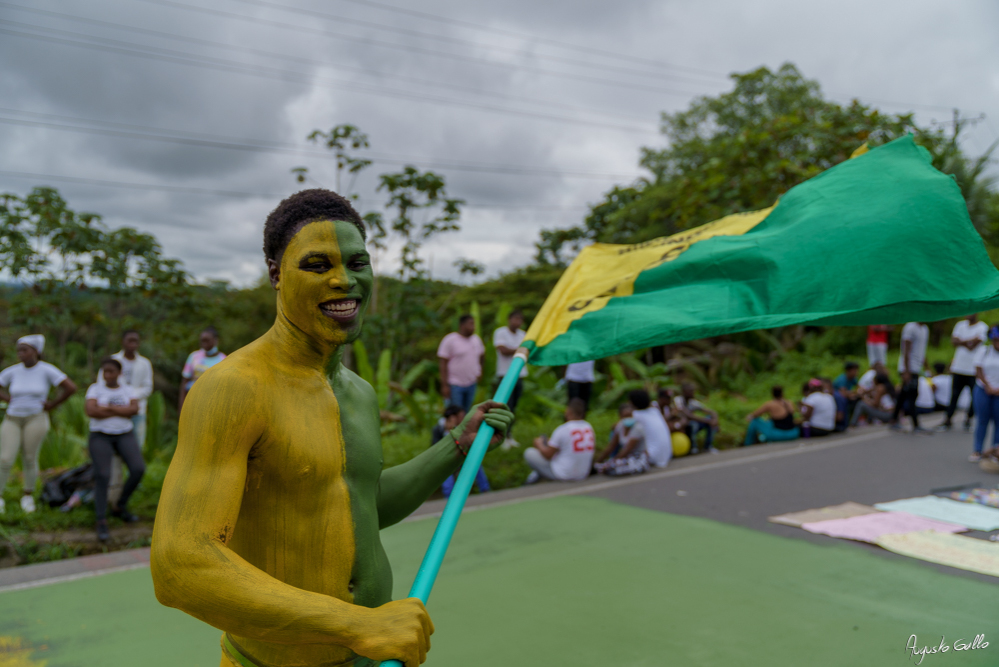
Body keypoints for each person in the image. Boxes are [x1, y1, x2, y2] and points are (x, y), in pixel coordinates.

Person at [151, 189, 513, 667]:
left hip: (372, 658)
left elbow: (359, 505)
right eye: (317, 265)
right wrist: (357, 624)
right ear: (276, 274)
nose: (344, 280)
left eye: (358, 263)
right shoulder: (232, 389)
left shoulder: (359, 392)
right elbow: (180, 565)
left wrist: (454, 447)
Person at [0, 335, 76, 515]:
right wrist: (8, 399)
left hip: (36, 418)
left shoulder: (47, 370)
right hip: (13, 418)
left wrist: (52, 404)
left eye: (24, 350)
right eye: (19, 350)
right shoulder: (12, 371)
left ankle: (27, 496)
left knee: (29, 457)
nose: (21, 354)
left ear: (36, 351)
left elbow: (70, 387)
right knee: (5, 458)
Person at [85, 358, 146, 542]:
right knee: (103, 474)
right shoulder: (95, 389)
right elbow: (91, 411)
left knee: (138, 469)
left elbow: (134, 409)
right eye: (105, 371)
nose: (107, 375)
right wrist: (121, 409)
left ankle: (120, 505)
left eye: (111, 371)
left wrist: (108, 407)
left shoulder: (128, 389)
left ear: (119, 373)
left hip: (124, 433)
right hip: (100, 435)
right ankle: (101, 520)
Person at [98, 329, 154, 506]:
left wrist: (129, 398)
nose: (133, 344)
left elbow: (147, 387)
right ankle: (114, 490)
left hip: (136, 413)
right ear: (122, 341)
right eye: (129, 340)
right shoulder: (113, 361)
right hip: (113, 413)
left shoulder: (144, 363)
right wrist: (120, 403)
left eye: (136, 341)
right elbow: (102, 384)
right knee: (114, 454)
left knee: (133, 452)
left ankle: (126, 492)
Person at [523, 398, 595, 483]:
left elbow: (548, 455)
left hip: (563, 474)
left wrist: (538, 444)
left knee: (529, 452)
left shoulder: (563, 429)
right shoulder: (588, 427)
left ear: (568, 411)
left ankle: (536, 478)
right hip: (582, 473)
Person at [939, 313, 988, 431]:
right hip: (958, 368)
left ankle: (968, 418)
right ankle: (948, 418)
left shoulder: (982, 327)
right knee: (954, 395)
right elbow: (954, 342)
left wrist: (962, 341)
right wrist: (970, 340)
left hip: (972, 369)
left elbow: (973, 345)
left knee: (973, 396)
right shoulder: (960, 325)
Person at [432, 406, 490, 497]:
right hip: (445, 461)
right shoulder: (438, 429)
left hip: (459, 457)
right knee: (446, 475)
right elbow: (435, 447)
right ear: (453, 417)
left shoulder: (462, 427)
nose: (463, 418)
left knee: (475, 463)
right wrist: (448, 431)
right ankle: (449, 498)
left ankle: (485, 490)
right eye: (461, 416)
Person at [438, 314, 485, 414]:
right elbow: (443, 363)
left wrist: (480, 371)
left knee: (467, 411)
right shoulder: (450, 340)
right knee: (456, 413)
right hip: (455, 384)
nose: (473, 327)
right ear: (462, 325)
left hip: (471, 382)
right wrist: (444, 385)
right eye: (470, 324)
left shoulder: (476, 340)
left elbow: (482, 356)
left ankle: (465, 430)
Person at [891, 321, 931, 434]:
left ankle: (893, 420)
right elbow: (906, 350)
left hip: (916, 367)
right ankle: (916, 425)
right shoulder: (910, 327)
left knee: (903, 395)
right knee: (912, 395)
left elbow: (922, 351)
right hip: (909, 368)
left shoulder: (925, 329)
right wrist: (906, 370)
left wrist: (926, 367)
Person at [594, 403, 649, 476]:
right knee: (603, 466)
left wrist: (611, 463)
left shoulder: (638, 428)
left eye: (630, 415)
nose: (628, 418)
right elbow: (611, 446)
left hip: (637, 458)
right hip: (626, 458)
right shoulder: (620, 426)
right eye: (626, 416)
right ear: (620, 416)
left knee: (613, 467)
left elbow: (627, 450)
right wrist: (598, 461)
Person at [178, 327, 226, 411]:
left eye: (207, 340)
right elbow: (184, 382)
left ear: (215, 340)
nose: (204, 343)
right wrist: (181, 406)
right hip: (192, 402)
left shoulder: (223, 360)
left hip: (212, 405)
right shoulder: (194, 357)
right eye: (202, 341)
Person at [971, 326, 999, 463]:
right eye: (996, 340)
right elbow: (978, 369)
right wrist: (988, 385)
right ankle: (977, 450)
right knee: (982, 420)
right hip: (983, 389)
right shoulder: (984, 350)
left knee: (998, 422)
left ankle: (995, 452)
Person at [492, 310, 527, 413]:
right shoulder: (500, 332)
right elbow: (503, 350)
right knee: (505, 403)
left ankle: (510, 427)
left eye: (520, 320)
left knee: (515, 403)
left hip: (519, 374)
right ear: (509, 320)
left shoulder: (523, 334)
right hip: (505, 374)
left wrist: (515, 350)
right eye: (515, 319)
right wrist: (519, 350)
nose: (518, 322)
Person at [629, 389, 673, 468]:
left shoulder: (637, 415)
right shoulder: (655, 411)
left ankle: (615, 458)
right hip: (667, 456)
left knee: (631, 430)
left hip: (652, 458)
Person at [674, 382, 719, 454]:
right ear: (684, 392)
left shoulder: (693, 402)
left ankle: (708, 446)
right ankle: (693, 447)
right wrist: (708, 421)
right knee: (693, 424)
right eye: (691, 391)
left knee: (709, 418)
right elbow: (688, 415)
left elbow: (712, 412)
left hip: (692, 425)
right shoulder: (678, 400)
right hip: (682, 426)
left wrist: (715, 420)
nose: (693, 393)